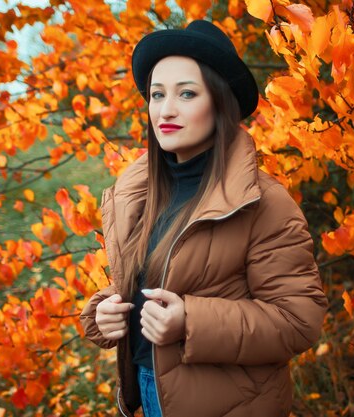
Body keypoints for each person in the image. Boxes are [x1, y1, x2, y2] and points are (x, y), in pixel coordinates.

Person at [79, 20, 328, 417]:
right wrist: (103, 312)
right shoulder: (138, 191)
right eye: (157, 94)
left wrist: (191, 322)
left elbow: (298, 320)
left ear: (220, 103)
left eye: (187, 93)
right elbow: (152, 280)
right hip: (150, 391)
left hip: (230, 403)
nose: (166, 110)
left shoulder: (263, 203)